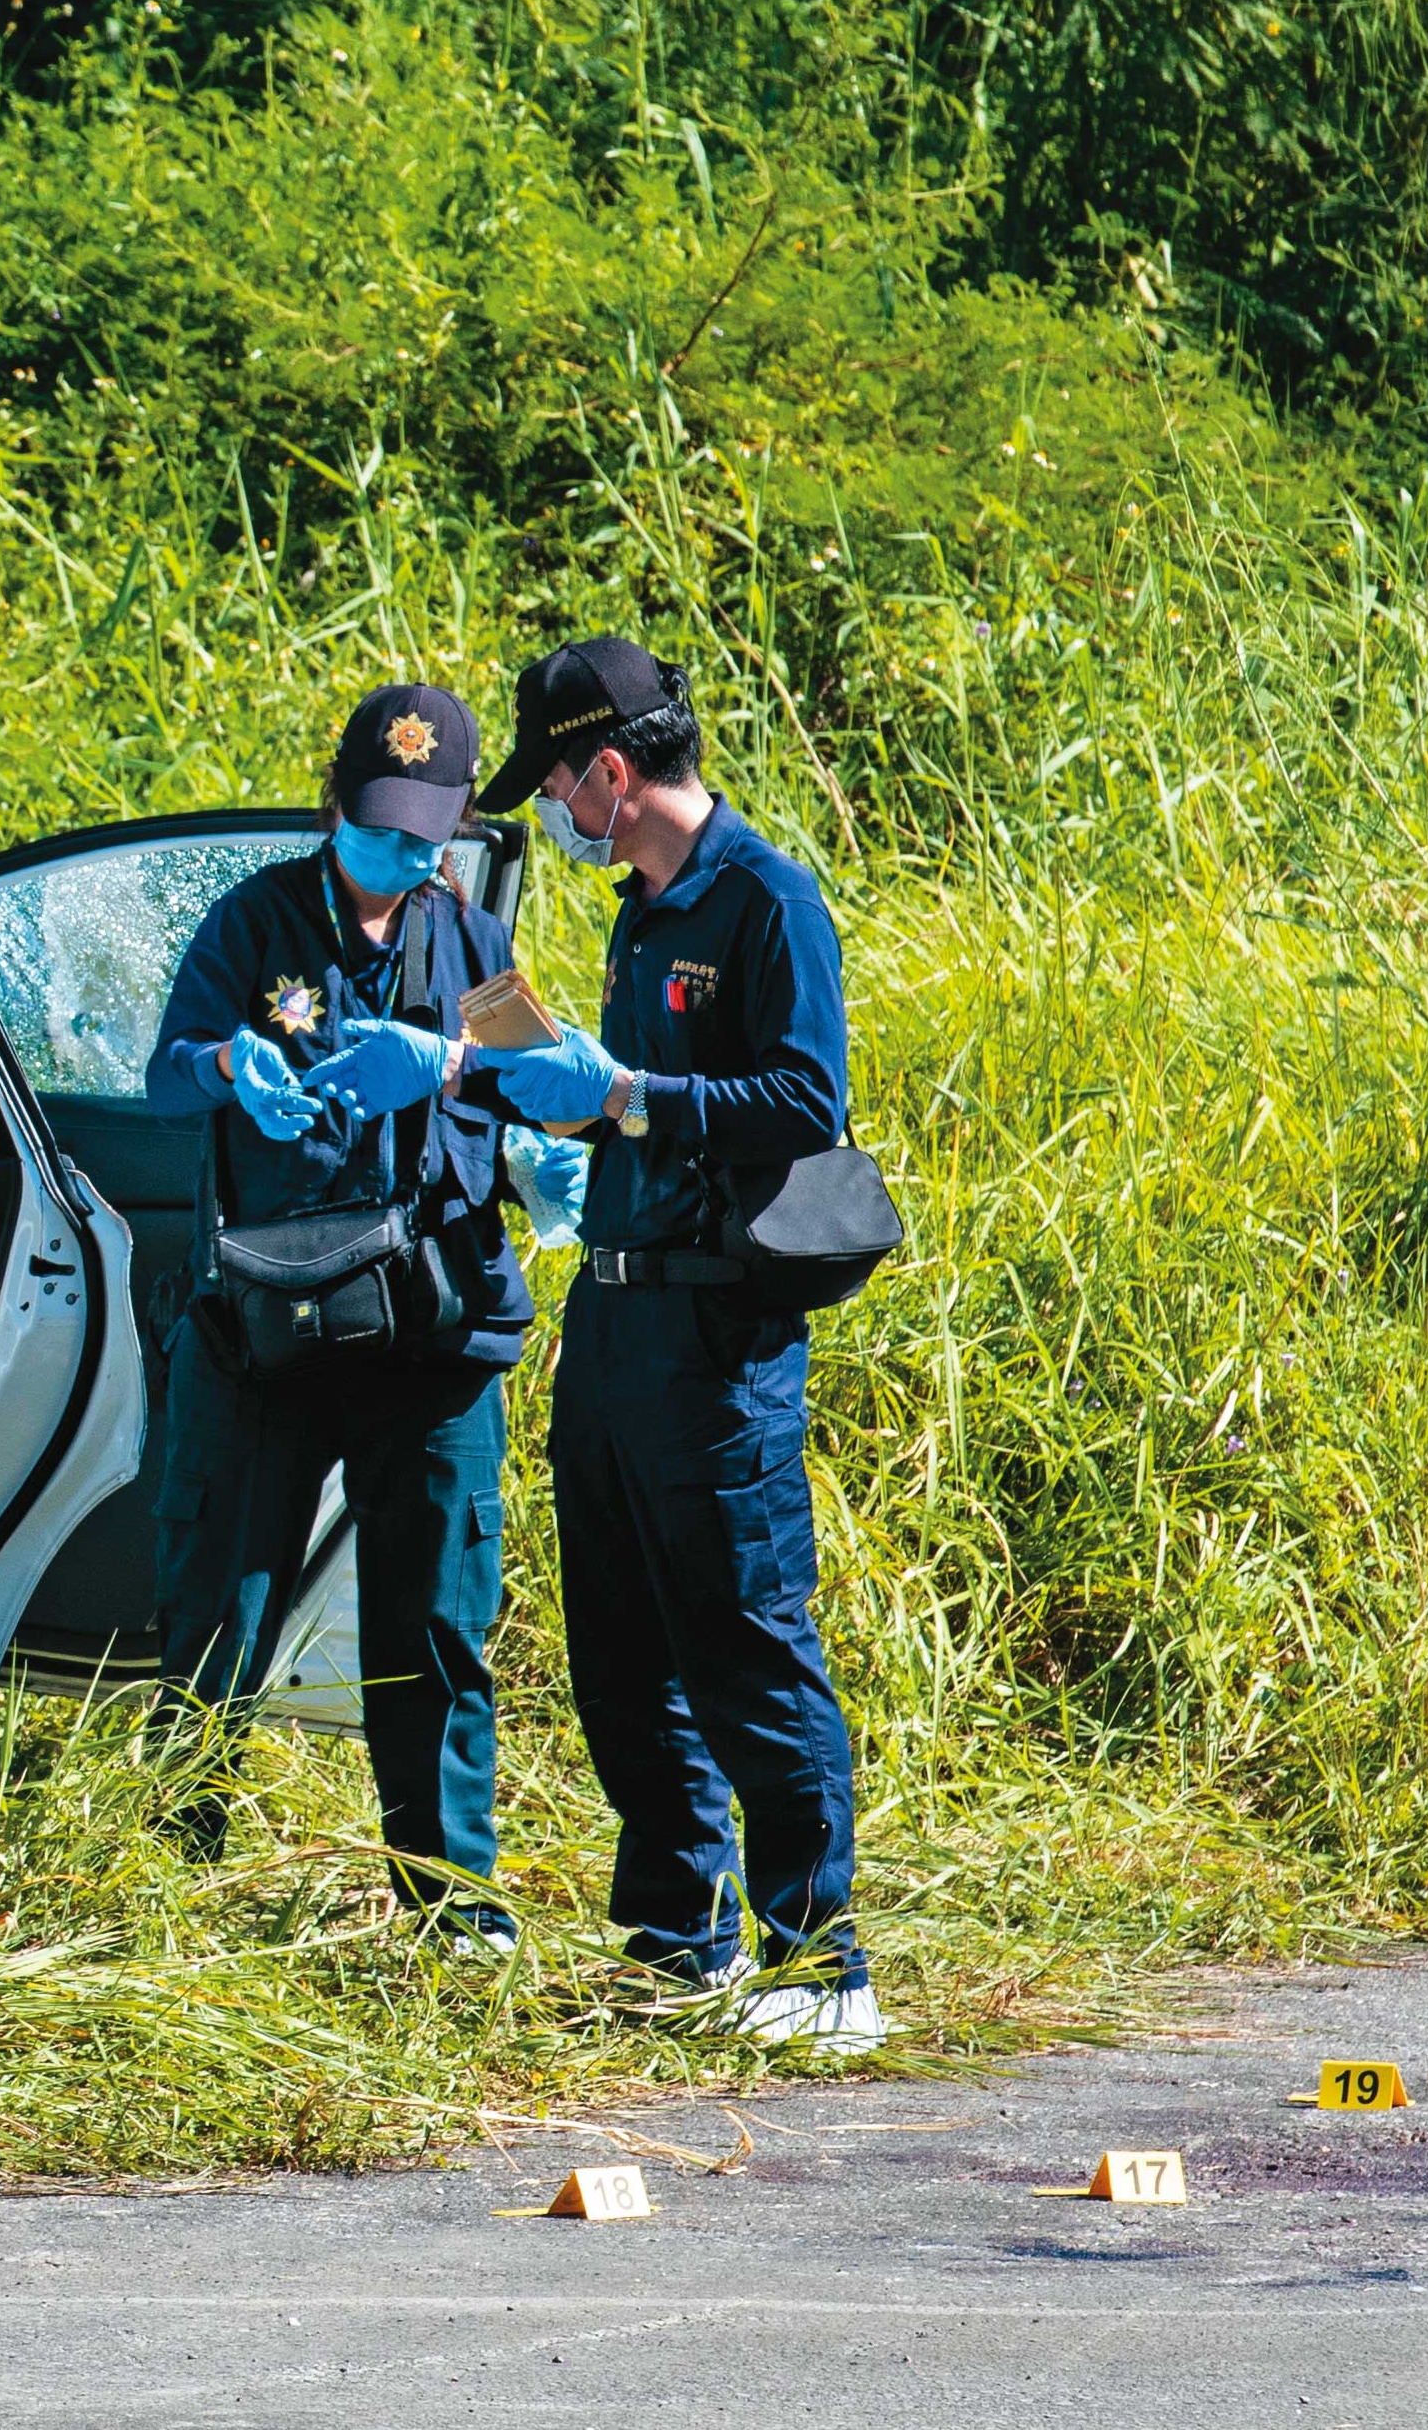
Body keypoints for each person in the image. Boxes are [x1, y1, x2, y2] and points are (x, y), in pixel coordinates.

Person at [462, 635, 883, 2050]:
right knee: (619, 1647)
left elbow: (798, 1097)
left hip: (718, 1327)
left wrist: (634, 1090)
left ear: (611, 769)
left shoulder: (766, 901)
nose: (556, 817)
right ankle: (673, 1942)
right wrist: (557, 1108)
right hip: (615, 1311)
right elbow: (636, 1104)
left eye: (559, 789)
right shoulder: (639, 913)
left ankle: (820, 1964)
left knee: (745, 1640)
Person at [140, 682, 589, 1934]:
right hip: (266, 1330)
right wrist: (236, 1067)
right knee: (211, 1614)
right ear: (335, 802)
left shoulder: (469, 947)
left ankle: (454, 1912)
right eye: (384, 825)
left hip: (431, 1335)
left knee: (435, 1626)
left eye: (428, 832)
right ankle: (175, 1889)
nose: (408, 852)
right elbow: (166, 1075)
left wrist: (520, 1136)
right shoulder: (254, 924)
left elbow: (540, 1085)